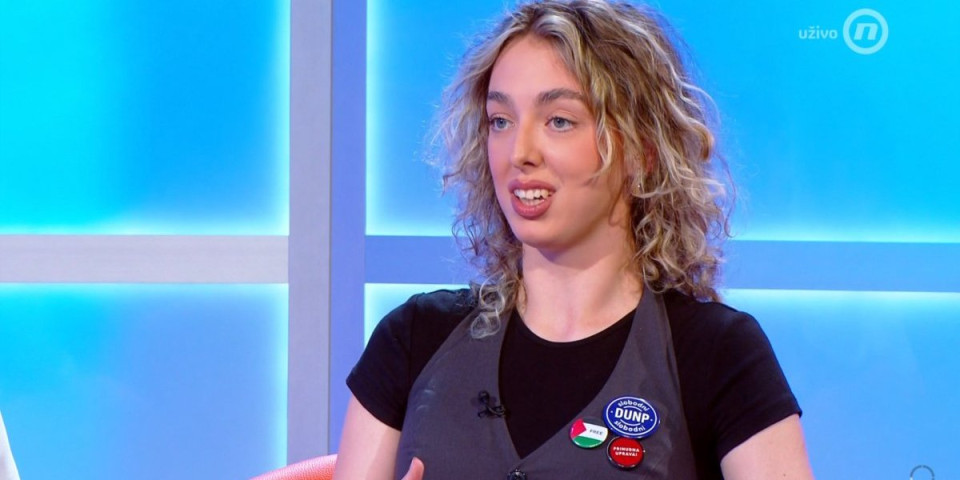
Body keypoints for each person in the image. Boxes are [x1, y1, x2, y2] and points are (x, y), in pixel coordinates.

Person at [335, 1, 814, 478]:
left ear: (642, 151)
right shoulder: (413, 339)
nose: (519, 152)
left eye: (559, 121)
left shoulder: (718, 353)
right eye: (500, 120)